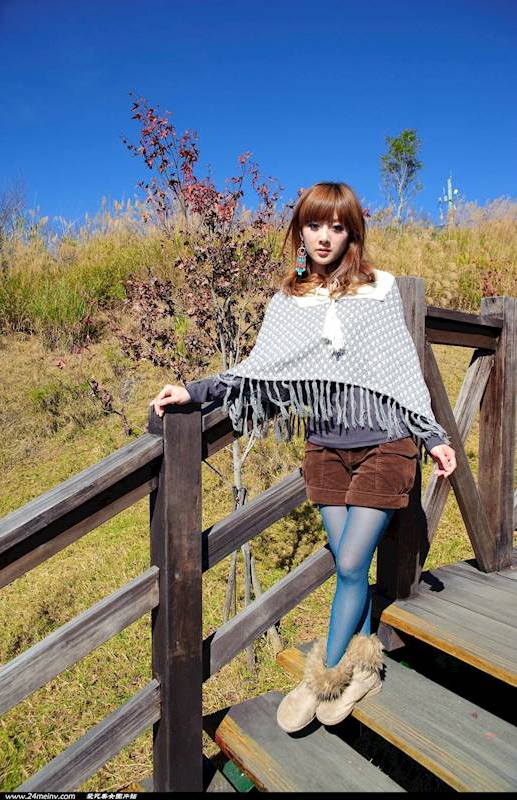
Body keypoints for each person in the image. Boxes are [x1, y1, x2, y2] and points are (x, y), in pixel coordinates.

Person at [150, 181, 457, 733]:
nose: (324, 237)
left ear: (352, 234)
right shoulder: (287, 302)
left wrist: (432, 435)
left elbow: (402, 374)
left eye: (337, 227)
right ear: (300, 230)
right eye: (315, 225)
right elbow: (259, 373)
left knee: (350, 565)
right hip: (325, 451)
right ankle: (364, 670)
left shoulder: (380, 289)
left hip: (385, 445)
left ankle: (320, 680)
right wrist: (194, 392)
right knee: (350, 567)